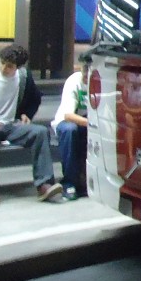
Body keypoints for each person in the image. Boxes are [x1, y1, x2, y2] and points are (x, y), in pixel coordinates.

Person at [0, 43, 62, 204]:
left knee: (40, 133)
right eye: (2, 63)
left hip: (11, 125)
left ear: (17, 67)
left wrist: (26, 114)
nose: (4, 68)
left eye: (9, 66)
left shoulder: (23, 78)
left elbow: (35, 98)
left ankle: (44, 184)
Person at [50, 52, 91, 200]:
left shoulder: (100, 82)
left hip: (87, 123)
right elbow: (68, 115)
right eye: (84, 69)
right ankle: (69, 183)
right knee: (70, 130)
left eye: (90, 69)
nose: (86, 73)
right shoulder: (74, 81)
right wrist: (92, 124)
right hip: (68, 123)